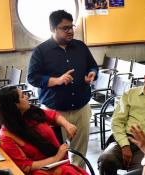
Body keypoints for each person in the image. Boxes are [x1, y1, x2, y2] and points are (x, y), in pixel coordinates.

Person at [28, 10, 98, 167]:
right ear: (53, 29)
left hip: (81, 109)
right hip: (56, 113)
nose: (70, 31)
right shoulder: (41, 51)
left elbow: (93, 65)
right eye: (65, 28)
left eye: (71, 26)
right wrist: (56, 80)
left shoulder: (80, 46)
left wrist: (92, 73)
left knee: (80, 155)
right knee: (58, 154)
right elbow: (32, 77)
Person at [0, 86, 88, 175]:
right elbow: (26, 167)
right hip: (41, 171)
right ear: (15, 106)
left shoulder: (31, 112)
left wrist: (67, 125)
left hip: (60, 163)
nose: (27, 97)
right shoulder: (7, 136)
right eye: (23, 96)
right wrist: (56, 158)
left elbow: (53, 116)